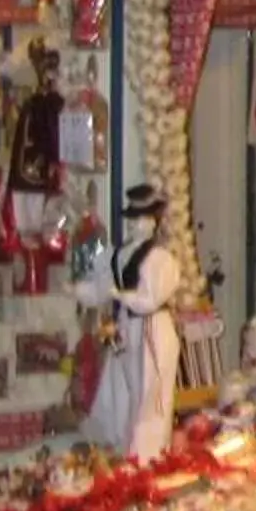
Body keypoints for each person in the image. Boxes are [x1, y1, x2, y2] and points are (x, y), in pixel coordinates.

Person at [101, 182, 183, 462]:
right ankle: (129, 452)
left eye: (144, 219)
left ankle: (148, 458)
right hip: (128, 327)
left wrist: (119, 295)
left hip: (152, 328)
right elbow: (102, 284)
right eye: (134, 219)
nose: (138, 225)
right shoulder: (119, 254)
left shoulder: (161, 259)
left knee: (153, 395)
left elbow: (149, 299)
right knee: (129, 391)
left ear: (154, 223)